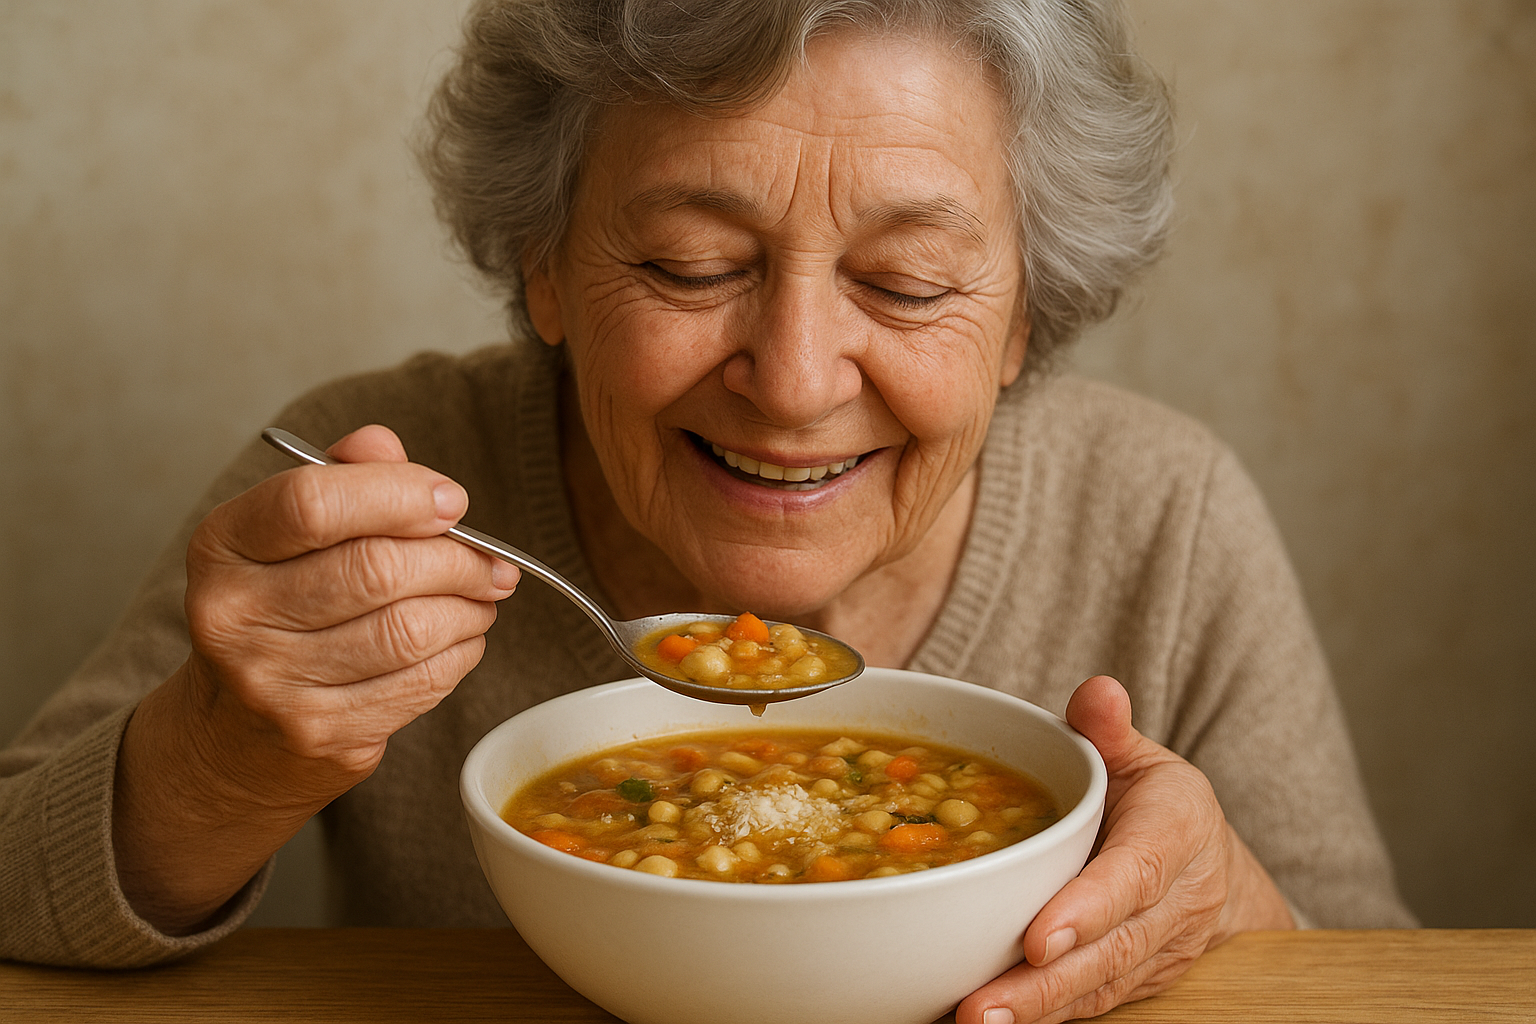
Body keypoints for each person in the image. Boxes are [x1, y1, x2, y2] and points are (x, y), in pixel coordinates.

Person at [0, 0, 1415, 1019]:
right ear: (545, 264)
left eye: (907, 284)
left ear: (1024, 316)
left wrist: (1222, 904)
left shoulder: (1164, 514)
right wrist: (218, 762)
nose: (794, 383)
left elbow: (1392, 979)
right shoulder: (379, 492)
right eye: (689, 266)